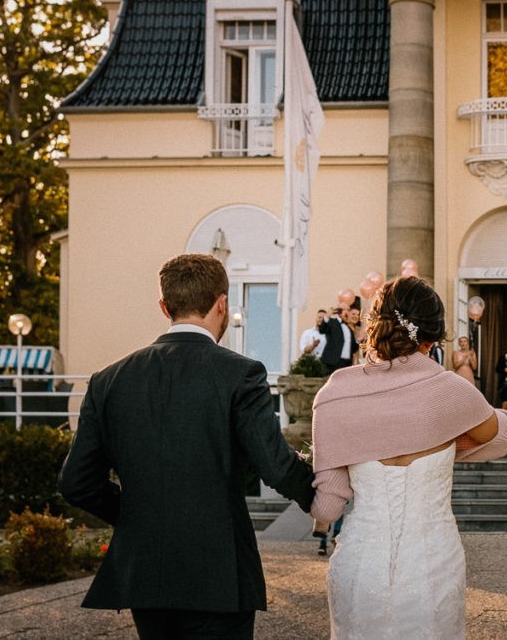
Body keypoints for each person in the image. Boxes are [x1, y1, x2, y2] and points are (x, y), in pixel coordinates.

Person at [58, 253, 316, 640]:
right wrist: (325, 495)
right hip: (219, 571)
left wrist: (135, 514)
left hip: (146, 571)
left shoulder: (107, 380)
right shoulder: (241, 373)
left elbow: (76, 482)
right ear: (222, 303)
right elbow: (276, 467)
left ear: (164, 307)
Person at [309, 275, 507, 638]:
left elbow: (326, 511)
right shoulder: (451, 391)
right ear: (434, 337)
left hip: (359, 566)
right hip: (432, 565)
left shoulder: (335, 393)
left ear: (374, 327)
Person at [320, 307, 359, 372]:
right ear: (339, 313)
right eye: (346, 312)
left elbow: (353, 347)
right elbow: (322, 329)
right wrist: (326, 317)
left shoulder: (349, 328)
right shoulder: (332, 322)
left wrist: (358, 340)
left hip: (346, 363)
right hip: (333, 362)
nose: (348, 313)